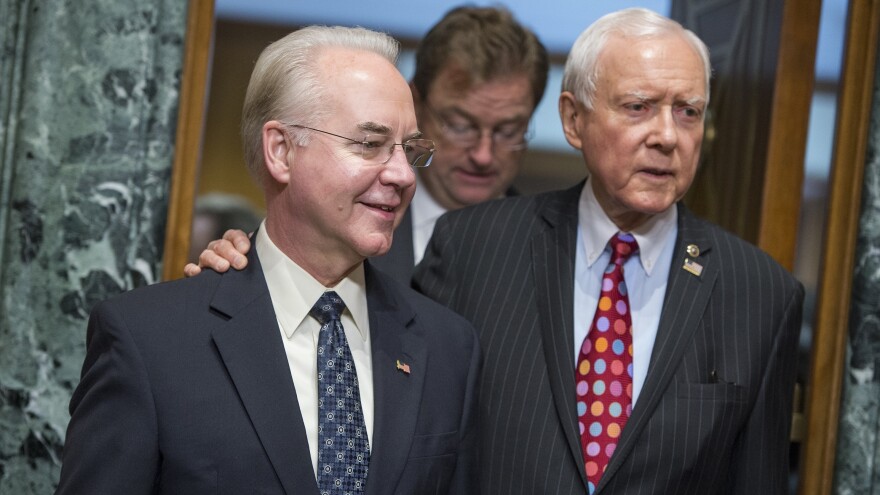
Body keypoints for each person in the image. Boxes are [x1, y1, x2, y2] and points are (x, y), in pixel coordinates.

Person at [192, 8, 804, 495]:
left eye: (688, 112)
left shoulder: (762, 295)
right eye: (638, 107)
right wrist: (259, 267)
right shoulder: (475, 247)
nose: (666, 136)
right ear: (574, 120)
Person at [56, 26, 480, 495]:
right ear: (281, 150)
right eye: (369, 144)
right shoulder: (150, 341)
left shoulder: (446, 347)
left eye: (410, 149)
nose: (402, 174)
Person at [184, 6, 549, 284]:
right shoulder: (342, 225)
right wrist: (247, 267)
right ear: (416, 103)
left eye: (508, 130)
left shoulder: (552, 251)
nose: (483, 154)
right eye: (459, 125)